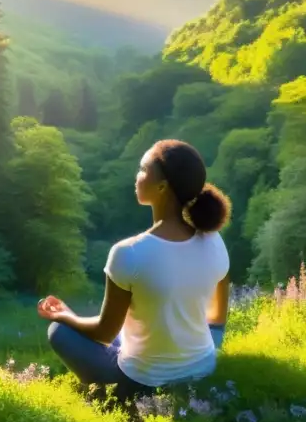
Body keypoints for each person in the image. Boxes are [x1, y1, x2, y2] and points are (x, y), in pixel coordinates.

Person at [38, 139, 232, 398]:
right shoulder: (213, 239)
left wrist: (64, 315)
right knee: (139, 327)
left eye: (142, 170)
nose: (137, 176)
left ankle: (116, 397)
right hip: (203, 367)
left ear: (162, 186)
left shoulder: (128, 252)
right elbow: (217, 319)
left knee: (59, 332)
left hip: (143, 380)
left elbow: (104, 333)